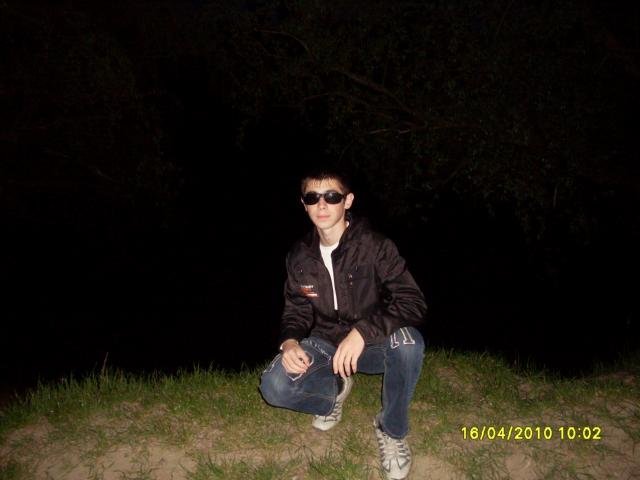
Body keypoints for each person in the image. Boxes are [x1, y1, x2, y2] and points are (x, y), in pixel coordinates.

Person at [259, 170, 427, 480]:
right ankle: (334, 389)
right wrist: (290, 341)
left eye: (332, 196)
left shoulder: (375, 246)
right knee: (274, 387)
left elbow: (412, 301)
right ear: (304, 204)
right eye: (313, 198)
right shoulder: (299, 256)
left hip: (372, 345)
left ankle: (391, 430)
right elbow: (296, 310)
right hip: (325, 344)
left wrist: (363, 332)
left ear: (347, 201)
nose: (322, 204)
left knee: (408, 343)